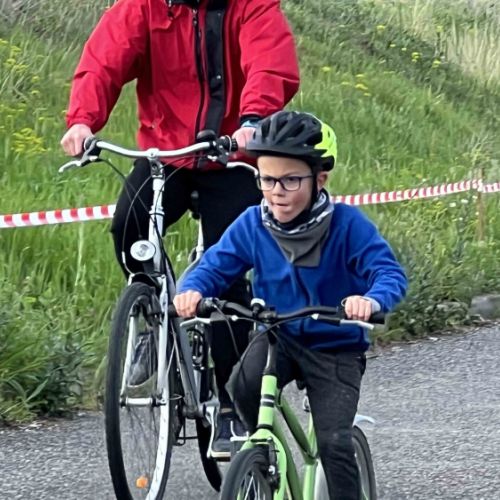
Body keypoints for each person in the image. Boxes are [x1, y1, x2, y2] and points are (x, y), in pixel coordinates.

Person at [60, 0, 300, 457]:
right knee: (128, 227)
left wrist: (252, 119)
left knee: (227, 275)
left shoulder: (250, 6)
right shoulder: (143, 7)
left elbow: (270, 62)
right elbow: (104, 60)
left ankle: (232, 405)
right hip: (167, 153)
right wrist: (82, 120)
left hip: (230, 155)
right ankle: (152, 320)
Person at [173, 111, 408, 499]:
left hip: (335, 346)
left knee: (334, 443)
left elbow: (388, 272)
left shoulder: (347, 225)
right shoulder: (253, 224)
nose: (277, 191)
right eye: (267, 179)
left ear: (320, 179)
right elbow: (214, 265)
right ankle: (264, 461)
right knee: (242, 386)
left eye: (290, 180)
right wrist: (192, 290)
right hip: (277, 337)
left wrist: (370, 300)